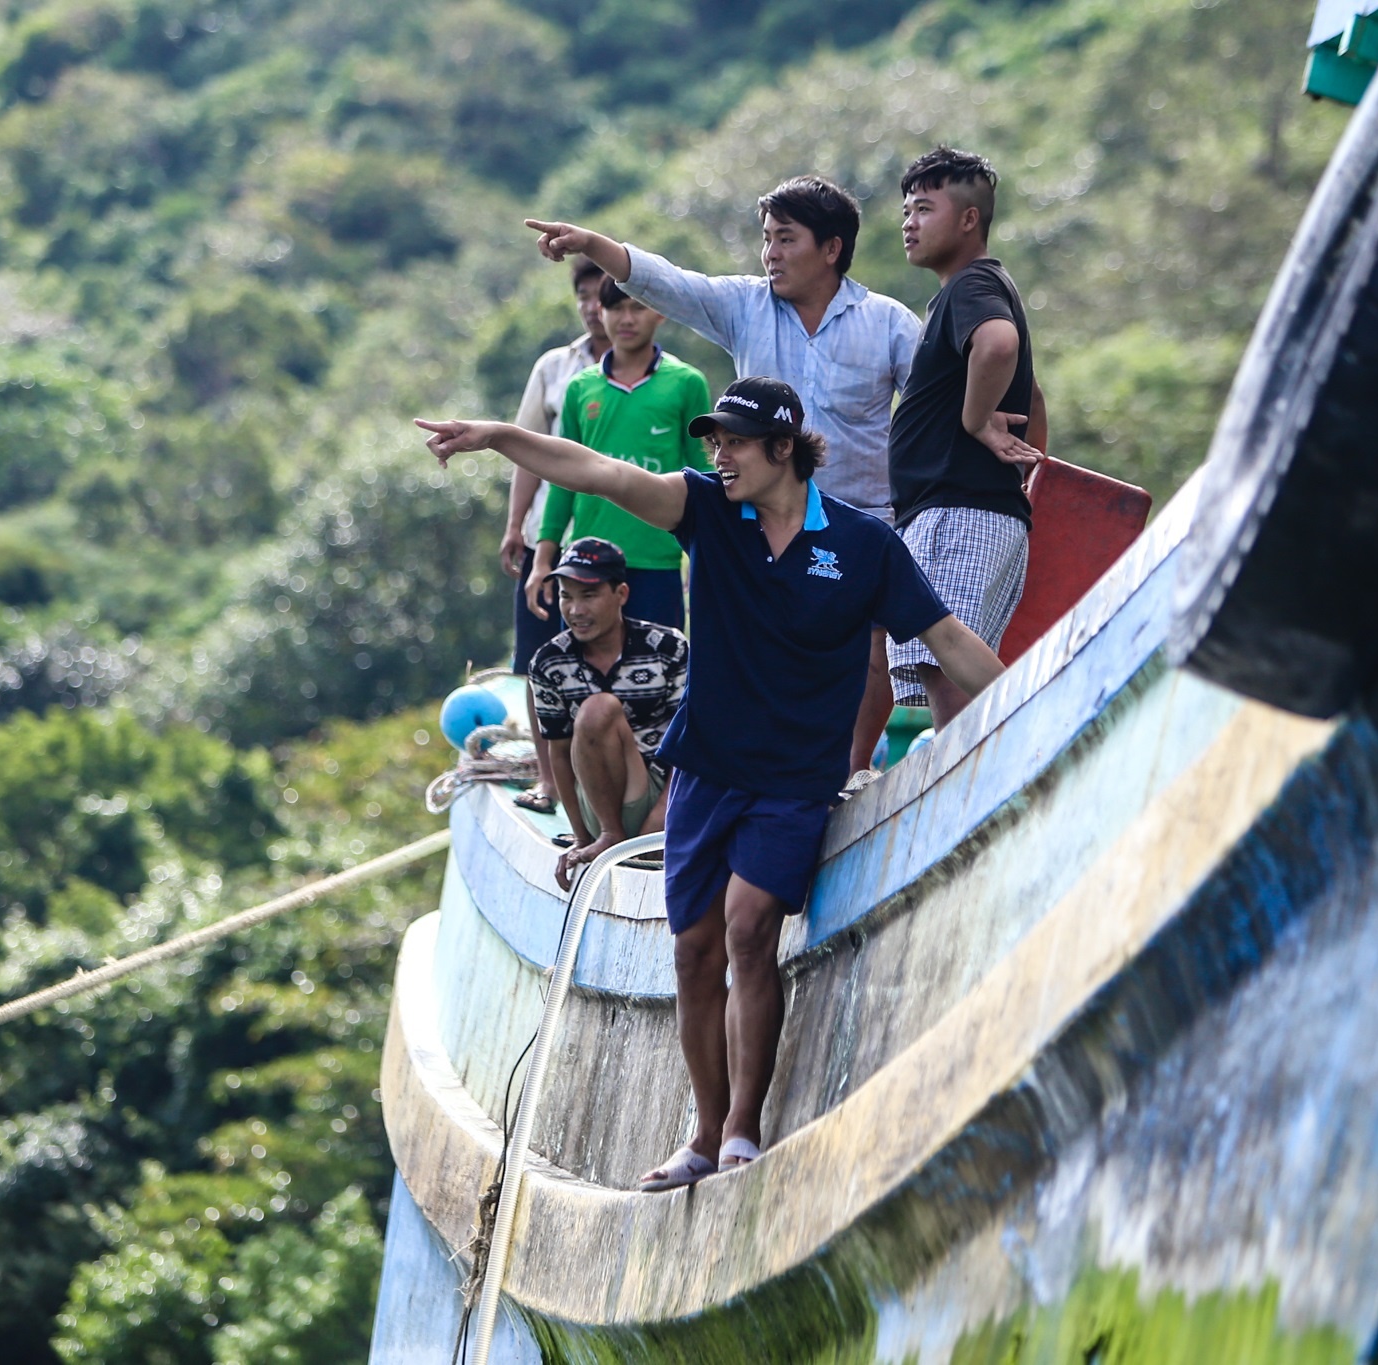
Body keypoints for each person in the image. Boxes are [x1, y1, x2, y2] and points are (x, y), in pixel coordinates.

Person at [416, 377, 1007, 1193]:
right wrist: (494, 437)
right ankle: (700, 1135)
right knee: (693, 950)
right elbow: (596, 473)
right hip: (707, 769)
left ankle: (740, 1131)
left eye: (732, 441)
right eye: (711, 441)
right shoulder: (708, 513)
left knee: (749, 924)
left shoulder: (866, 547)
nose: (716, 455)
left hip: (795, 780)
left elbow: (944, 634)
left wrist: (1028, 696)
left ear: (782, 448)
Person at [525, 176, 919, 774]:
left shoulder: (889, 323)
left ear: (832, 248)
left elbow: (930, 411)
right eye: (767, 240)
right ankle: (739, 773)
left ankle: (853, 771)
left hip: (861, 518)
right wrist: (593, 244)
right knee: (748, 651)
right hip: (756, 521)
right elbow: (667, 283)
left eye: (786, 240)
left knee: (869, 654)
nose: (771, 255)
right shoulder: (744, 304)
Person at [889, 146, 1049, 730]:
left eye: (924, 209)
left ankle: (1030, 733)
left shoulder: (972, 285)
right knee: (946, 658)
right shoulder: (966, 290)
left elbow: (1001, 346)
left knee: (945, 654)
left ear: (968, 219)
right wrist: (1035, 470)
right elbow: (1031, 397)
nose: (909, 222)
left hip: (959, 509)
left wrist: (976, 421)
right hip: (971, 509)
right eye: (906, 210)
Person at [525, 275, 713, 634]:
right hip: (587, 563)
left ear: (659, 313)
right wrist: (543, 559)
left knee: (659, 679)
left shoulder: (687, 383)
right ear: (601, 312)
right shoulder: (581, 388)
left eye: (638, 307)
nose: (627, 319)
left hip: (657, 559)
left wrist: (707, 558)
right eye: (616, 308)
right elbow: (563, 481)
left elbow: (702, 475)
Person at [504, 256, 612, 815]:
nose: (596, 308)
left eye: (605, 295)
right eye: (586, 297)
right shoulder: (555, 368)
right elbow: (528, 452)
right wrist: (515, 527)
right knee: (540, 657)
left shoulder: (662, 376)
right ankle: (549, 781)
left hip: (614, 541)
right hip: (551, 539)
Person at [527, 538, 688, 891]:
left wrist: (663, 815)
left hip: (665, 794)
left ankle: (625, 836)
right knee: (597, 709)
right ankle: (611, 835)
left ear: (622, 594)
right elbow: (558, 750)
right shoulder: (549, 662)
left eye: (589, 595)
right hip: (598, 806)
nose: (575, 610)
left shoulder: (669, 647)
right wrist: (584, 838)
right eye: (567, 596)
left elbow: (691, 736)